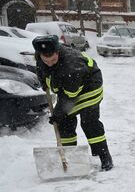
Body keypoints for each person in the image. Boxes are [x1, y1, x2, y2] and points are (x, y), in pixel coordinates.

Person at [33, 35, 113, 171]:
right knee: (64, 123)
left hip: (89, 87)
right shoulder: (41, 57)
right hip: (68, 89)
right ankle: (70, 155)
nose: (50, 63)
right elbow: (41, 69)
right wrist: (44, 83)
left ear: (58, 52)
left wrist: (58, 113)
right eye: (46, 61)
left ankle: (104, 156)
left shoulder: (72, 64)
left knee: (89, 123)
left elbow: (69, 97)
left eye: (53, 60)